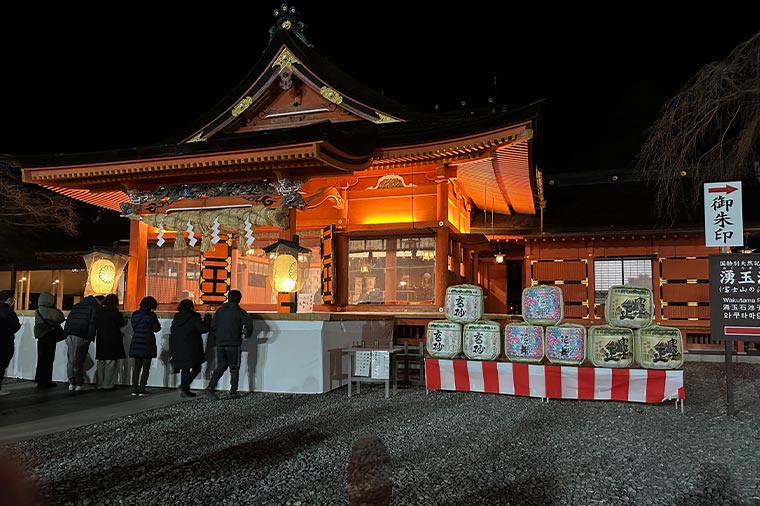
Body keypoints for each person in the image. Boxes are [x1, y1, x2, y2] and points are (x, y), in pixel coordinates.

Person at [205, 289, 252, 399]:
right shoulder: (240, 312)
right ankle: (233, 391)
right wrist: (245, 335)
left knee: (221, 366)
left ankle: (211, 387)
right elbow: (248, 324)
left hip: (220, 343)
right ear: (239, 299)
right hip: (234, 343)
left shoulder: (220, 311)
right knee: (234, 367)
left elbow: (213, 325)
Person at [169, 299, 211, 397]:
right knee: (197, 367)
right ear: (191, 307)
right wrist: (207, 319)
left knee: (185, 368)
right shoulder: (193, 317)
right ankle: (184, 386)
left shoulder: (177, 318)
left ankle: (185, 390)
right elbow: (203, 328)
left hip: (177, 347)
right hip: (191, 347)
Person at [63, 294, 100, 391]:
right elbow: (92, 323)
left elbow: (69, 320)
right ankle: (79, 384)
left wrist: (65, 334)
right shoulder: (94, 307)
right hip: (81, 334)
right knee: (78, 361)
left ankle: (71, 383)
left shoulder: (77, 306)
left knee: (71, 360)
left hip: (69, 334)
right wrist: (90, 337)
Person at [128, 296, 161, 396]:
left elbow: (134, 327)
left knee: (136, 368)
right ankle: (142, 389)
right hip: (148, 343)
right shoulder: (151, 316)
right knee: (146, 368)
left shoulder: (135, 314)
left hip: (136, 341)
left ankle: (134, 389)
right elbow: (157, 328)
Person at [33, 291, 65, 388]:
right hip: (50, 337)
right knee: (49, 360)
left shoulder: (38, 310)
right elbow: (61, 317)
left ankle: (39, 380)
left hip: (41, 337)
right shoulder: (53, 311)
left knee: (41, 360)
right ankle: (46, 381)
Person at [95, 294, 126, 391]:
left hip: (101, 338)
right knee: (110, 362)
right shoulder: (114, 311)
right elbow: (121, 322)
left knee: (101, 362)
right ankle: (108, 385)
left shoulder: (99, 311)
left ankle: (99, 384)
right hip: (112, 338)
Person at [0, 290, 21, 396]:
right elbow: (16, 325)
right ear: (9, 300)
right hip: (5, 341)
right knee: (2, 364)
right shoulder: (8, 311)